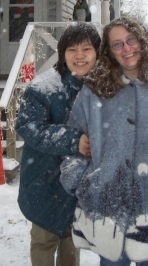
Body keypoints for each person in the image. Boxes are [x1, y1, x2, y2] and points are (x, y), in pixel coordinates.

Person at [60, 17, 148, 266]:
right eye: (117, 44)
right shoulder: (94, 90)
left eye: (131, 40)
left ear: (143, 41)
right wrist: (80, 180)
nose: (127, 48)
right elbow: (75, 141)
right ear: (109, 52)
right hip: (106, 210)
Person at [16, 22, 101, 266]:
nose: (80, 56)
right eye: (72, 50)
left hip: (77, 188)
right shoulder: (42, 88)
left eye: (87, 49)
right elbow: (30, 128)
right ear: (63, 54)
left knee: (72, 243)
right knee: (44, 242)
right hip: (45, 185)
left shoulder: (101, 90)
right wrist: (75, 140)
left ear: (97, 53)